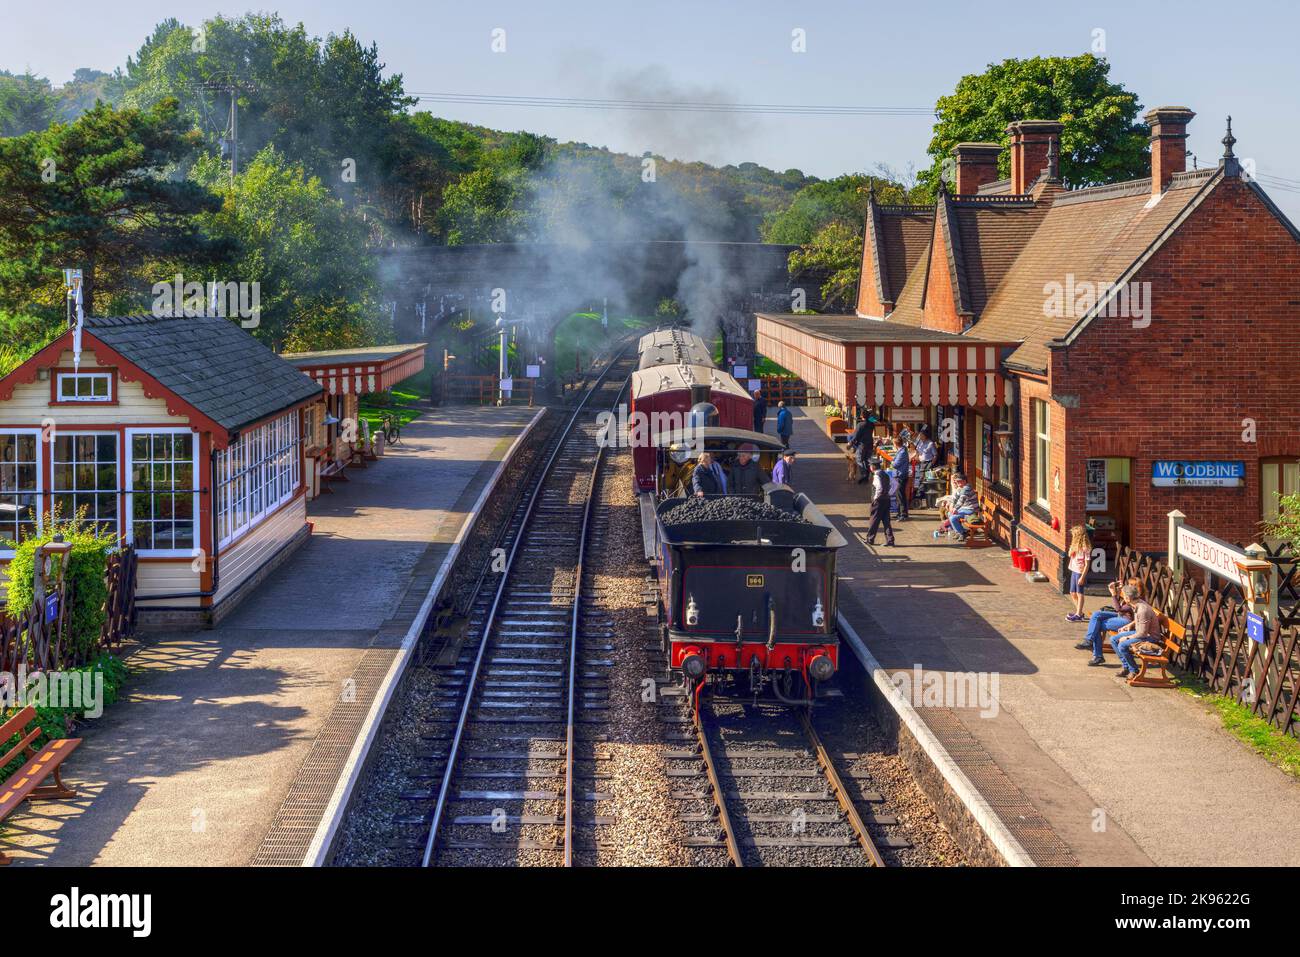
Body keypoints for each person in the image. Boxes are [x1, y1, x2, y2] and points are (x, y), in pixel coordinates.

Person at [1076, 578, 1142, 665]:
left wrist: (1113, 594)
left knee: (1097, 626)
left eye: (1130, 585)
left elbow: (1119, 609)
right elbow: (1119, 608)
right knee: (1096, 615)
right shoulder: (1130, 594)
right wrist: (1118, 592)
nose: (1128, 586)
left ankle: (1097, 655)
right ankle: (1089, 641)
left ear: (1135, 587)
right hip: (1121, 615)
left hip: (1127, 621)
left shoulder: (1136, 599)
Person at [1109, 585, 1159, 680]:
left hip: (1150, 637)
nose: (1123, 598)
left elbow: (1142, 634)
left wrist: (1127, 638)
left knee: (1122, 645)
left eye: (1123, 596)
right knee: (1113, 639)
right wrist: (1129, 625)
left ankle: (1134, 670)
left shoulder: (1142, 610)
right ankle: (1126, 667)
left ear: (1128, 598)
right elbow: (1140, 622)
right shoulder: (1137, 603)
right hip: (1141, 632)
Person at [938, 474, 978, 540]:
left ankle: (962, 533)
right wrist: (951, 504)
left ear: (964, 481)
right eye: (956, 481)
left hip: (971, 510)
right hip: (965, 508)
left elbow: (961, 500)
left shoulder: (966, 488)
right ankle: (960, 531)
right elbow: (955, 498)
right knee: (949, 513)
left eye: (959, 481)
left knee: (953, 518)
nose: (957, 483)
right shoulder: (960, 488)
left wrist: (955, 508)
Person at [866, 458, 895, 547]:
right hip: (886, 500)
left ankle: (870, 539)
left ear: (873, 467)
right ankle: (890, 540)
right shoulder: (885, 474)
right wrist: (889, 493)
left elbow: (879, 488)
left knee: (874, 520)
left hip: (879, 501)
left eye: (870, 466)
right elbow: (895, 484)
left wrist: (875, 498)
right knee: (886, 521)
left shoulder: (876, 476)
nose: (870, 467)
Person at [1066, 525, 1091, 621]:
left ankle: (1078, 614)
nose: (1072, 537)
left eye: (1074, 535)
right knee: (1072, 592)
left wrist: (1082, 577)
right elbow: (1070, 555)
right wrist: (1072, 549)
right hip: (1074, 570)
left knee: (1079, 593)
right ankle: (1079, 612)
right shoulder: (1075, 547)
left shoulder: (1086, 549)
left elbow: (1087, 564)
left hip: (1080, 572)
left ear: (1078, 536)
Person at [891, 427, 911, 521]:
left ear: (896, 444)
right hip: (899, 475)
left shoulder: (902, 452)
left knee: (900, 495)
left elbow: (895, 464)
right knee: (898, 495)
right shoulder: (901, 451)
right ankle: (899, 513)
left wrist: (892, 461)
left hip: (901, 476)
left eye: (893, 444)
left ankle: (903, 514)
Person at [846, 417, 874, 483]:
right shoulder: (871, 424)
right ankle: (867, 476)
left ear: (862, 416)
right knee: (867, 460)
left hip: (862, 445)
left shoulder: (860, 425)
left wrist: (850, 443)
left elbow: (856, 436)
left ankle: (863, 475)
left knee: (859, 460)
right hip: (870, 445)